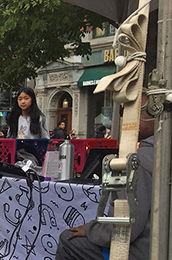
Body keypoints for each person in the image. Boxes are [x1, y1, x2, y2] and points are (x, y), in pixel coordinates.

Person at [56, 92, 153, 260]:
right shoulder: (155, 152)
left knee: (68, 240)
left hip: (145, 249)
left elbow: (127, 226)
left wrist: (91, 229)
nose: (129, 120)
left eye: (135, 113)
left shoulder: (143, 160)